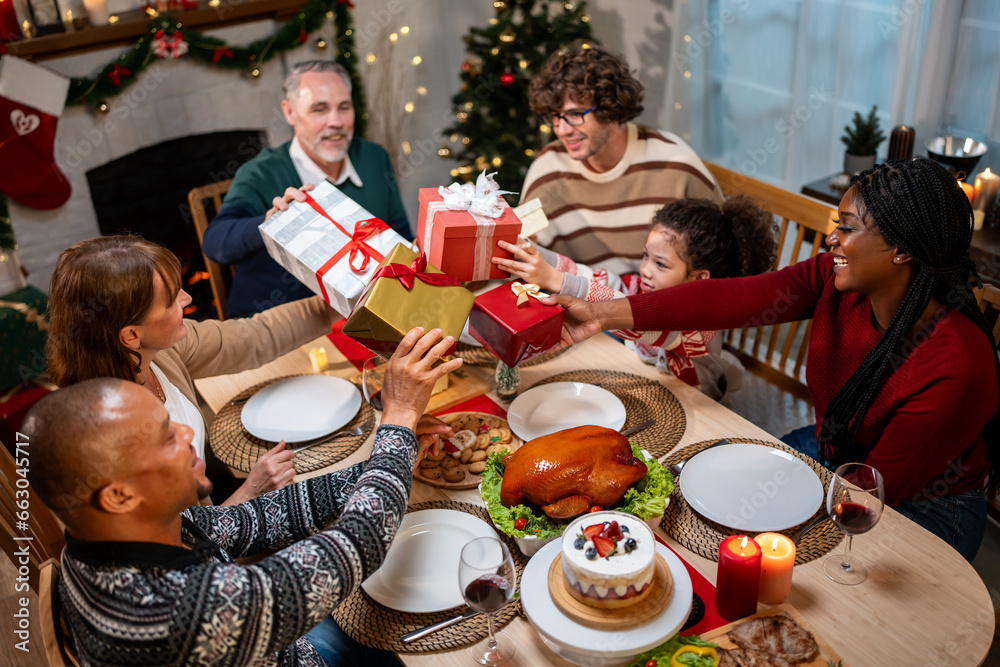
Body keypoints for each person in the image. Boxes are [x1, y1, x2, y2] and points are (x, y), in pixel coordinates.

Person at [547, 158, 1000, 561]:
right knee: (700, 492)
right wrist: (601, 312)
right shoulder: (832, 278)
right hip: (835, 451)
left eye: (846, 227)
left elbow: (870, 492)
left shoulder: (956, 365)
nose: (832, 238)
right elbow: (730, 300)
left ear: (901, 248)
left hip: (922, 506)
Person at [25, 327, 460, 666]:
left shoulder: (113, 535)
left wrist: (389, 458)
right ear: (118, 495)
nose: (187, 432)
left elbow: (265, 517)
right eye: (165, 437)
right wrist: (400, 417)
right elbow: (357, 544)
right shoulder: (174, 614)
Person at [46, 235, 335, 506]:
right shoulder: (112, 443)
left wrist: (336, 305)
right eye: (171, 299)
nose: (187, 299)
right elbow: (186, 547)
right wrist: (251, 491)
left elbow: (253, 336)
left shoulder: (155, 352)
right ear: (131, 335)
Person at [494, 196, 776, 399]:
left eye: (661, 264)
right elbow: (601, 281)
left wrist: (555, 280)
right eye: (645, 256)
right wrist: (532, 252)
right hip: (648, 384)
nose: (645, 271)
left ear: (699, 277)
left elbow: (637, 319)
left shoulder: (702, 325)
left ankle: (725, 370)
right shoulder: (646, 286)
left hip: (694, 402)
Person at [202, 60, 410, 318]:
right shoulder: (261, 172)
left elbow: (402, 235)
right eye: (319, 109)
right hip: (279, 324)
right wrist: (270, 221)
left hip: (364, 315)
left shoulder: (373, 157)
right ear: (289, 112)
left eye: (344, 107)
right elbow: (215, 243)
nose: (336, 121)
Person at [521, 43, 723, 276]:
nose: (561, 130)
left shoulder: (676, 163)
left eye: (575, 115)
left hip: (657, 306)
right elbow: (525, 254)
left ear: (612, 109)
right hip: (576, 303)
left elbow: (723, 253)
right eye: (555, 117)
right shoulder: (547, 169)